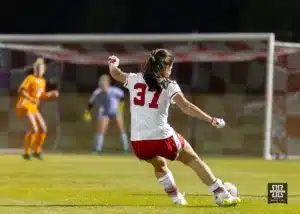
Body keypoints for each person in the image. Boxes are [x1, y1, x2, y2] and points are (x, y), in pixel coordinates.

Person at [107, 49, 241, 206]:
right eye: (170, 67)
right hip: (163, 137)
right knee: (192, 159)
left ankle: (177, 199)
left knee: (159, 165)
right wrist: (210, 119)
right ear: (165, 68)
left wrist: (112, 64)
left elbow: (115, 74)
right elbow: (185, 106)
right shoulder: (169, 85)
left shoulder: (134, 79)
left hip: (139, 141)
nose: (171, 71)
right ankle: (221, 194)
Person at [16, 58, 59, 160]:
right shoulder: (30, 78)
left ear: (44, 70)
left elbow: (41, 96)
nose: (40, 70)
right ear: (35, 69)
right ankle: (26, 153)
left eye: (41, 68)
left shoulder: (43, 81)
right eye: (38, 68)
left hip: (33, 107)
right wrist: (31, 99)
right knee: (34, 129)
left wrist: (51, 94)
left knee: (43, 129)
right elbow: (21, 90)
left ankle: (37, 151)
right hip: (25, 105)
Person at [83, 74, 129, 153]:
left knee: (121, 129)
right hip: (105, 113)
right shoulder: (97, 92)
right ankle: (97, 150)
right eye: (101, 84)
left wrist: (120, 109)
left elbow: (122, 97)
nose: (103, 85)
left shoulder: (115, 91)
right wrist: (87, 113)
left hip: (116, 112)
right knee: (101, 131)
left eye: (104, 83)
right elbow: (90, 104)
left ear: (108, 83)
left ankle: (126, 149)